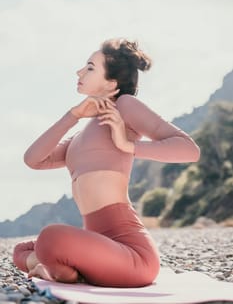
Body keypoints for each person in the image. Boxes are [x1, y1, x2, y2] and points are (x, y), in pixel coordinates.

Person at [13, 38, 200, 287]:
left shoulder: (124, 106)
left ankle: (60, 269)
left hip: (132, 255)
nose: (79, 72)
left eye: (90, 67)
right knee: (20, 250)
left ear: (111, 83)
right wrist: (73, 115)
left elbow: (190, 150)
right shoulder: (78, 136)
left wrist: (128, 146)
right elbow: (33, 159)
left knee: (50, 238)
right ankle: (63, 270)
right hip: (98, 246)